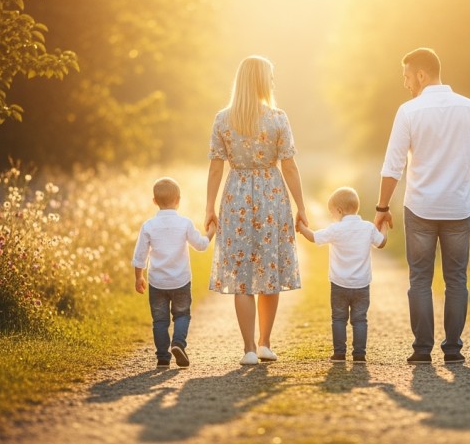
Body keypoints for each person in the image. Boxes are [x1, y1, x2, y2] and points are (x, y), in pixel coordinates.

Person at [374, 47, 470, 365]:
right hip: (458, 208)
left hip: (421, 208)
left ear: (421, 75)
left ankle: (422, 349)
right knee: (457, 279)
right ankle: (453, 350)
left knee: (420, 280)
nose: (405, 84)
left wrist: (382, 207)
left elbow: (392, 166)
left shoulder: (409, 111)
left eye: (406, 77)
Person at [205, 55, 308, 366]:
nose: (273, 82)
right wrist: (301, 206)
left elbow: (214, 168)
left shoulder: (223, 118)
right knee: (268, 270)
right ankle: (264, 343)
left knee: (241, 276)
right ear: (263, 81)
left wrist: (209, 207)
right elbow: (288, 166)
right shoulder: (278, 118)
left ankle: (249, 348)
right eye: (271, 77)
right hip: (271, 196)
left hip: (235, 195)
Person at [297, 187, 388, 364]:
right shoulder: (368, 228)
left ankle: (339, 354)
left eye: (332, 213)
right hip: (362, 284)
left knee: (338, 318)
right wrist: (384, 226)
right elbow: (382, 243)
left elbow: (314, 237)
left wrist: (300, 227)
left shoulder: (336, 229)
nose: (332, 217)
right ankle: (359, 354)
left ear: (339, 210)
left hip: (339, 284)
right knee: (360, 319)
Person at [132, 177, 216, 368]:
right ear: (179, 200)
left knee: (159, 320)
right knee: (182, 315)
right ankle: (178, 343)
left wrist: (139, 277)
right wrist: (211, 232)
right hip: (181, 281)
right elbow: (201, 246)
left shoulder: (148, 226)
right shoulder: (185, 223)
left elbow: (140, 255)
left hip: (157, 282)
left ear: (154, 201)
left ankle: (162, 357)